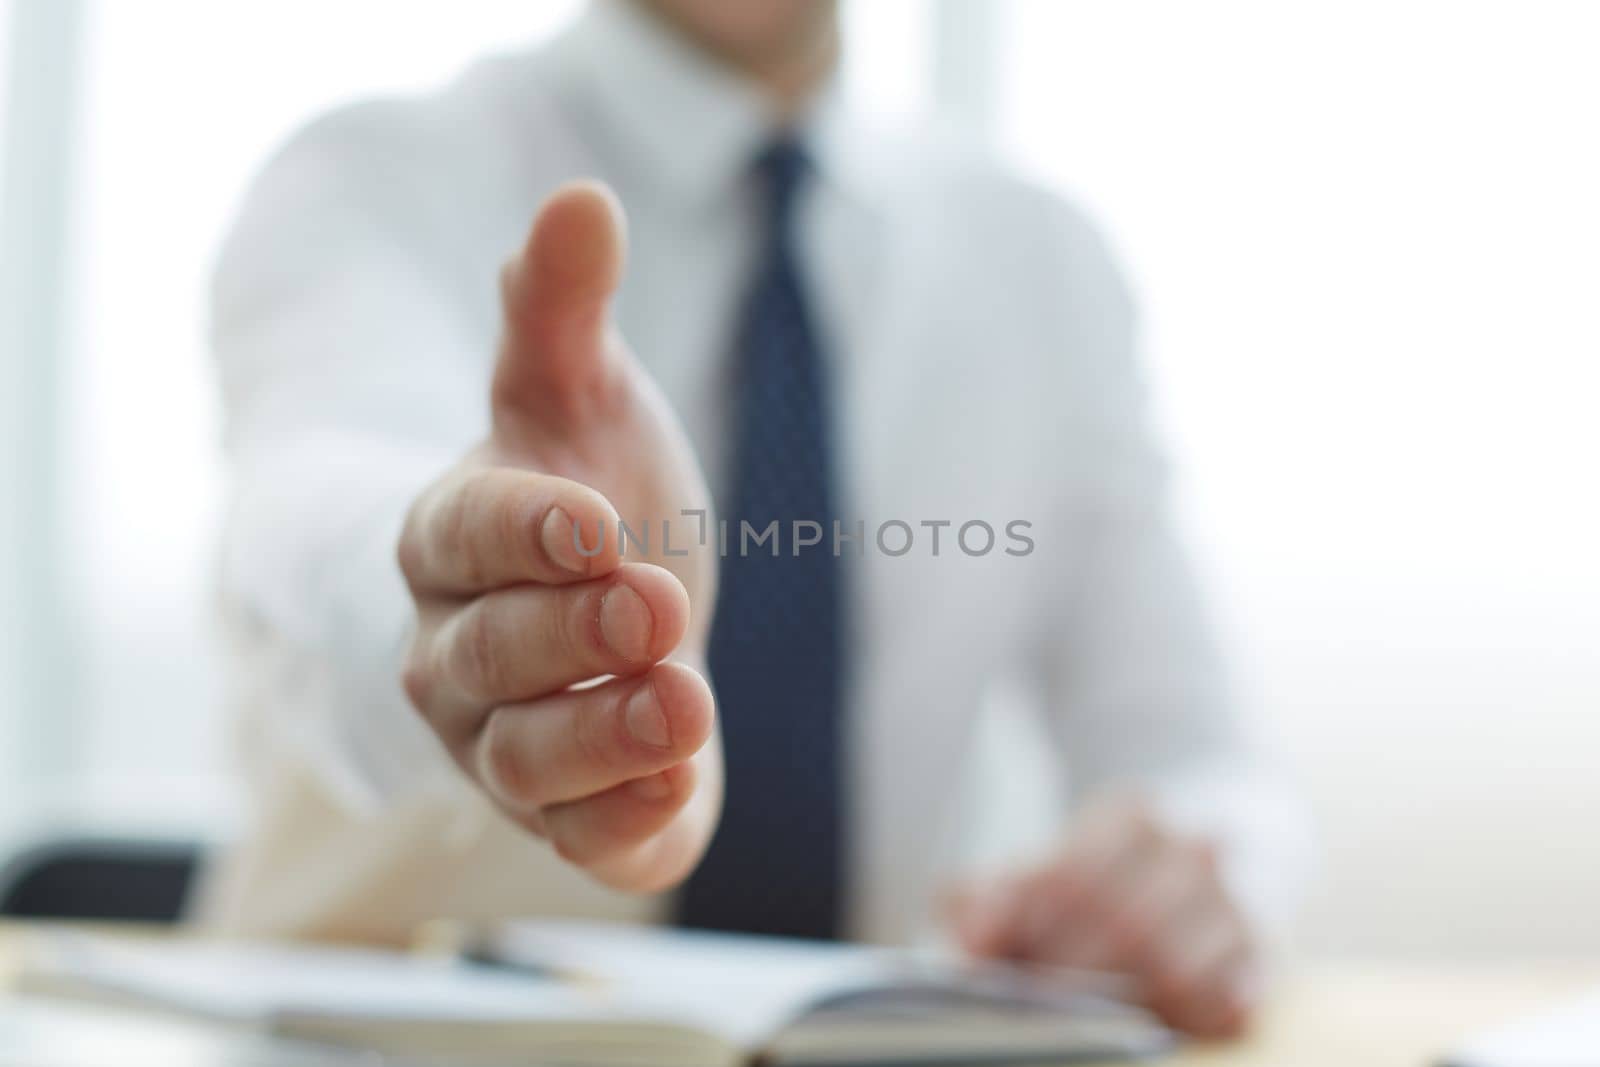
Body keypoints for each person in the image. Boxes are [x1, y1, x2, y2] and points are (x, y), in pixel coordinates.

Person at [197, 0, 1310, 1037]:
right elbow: (314, 500)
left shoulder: (1037, 259)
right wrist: (457, 596)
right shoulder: (373, 176)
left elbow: (1196, 755)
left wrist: (1192, 882)